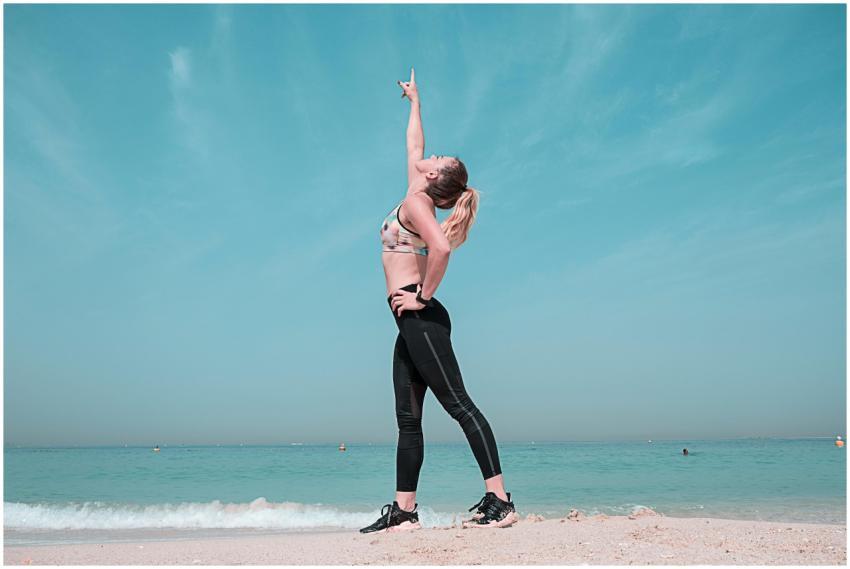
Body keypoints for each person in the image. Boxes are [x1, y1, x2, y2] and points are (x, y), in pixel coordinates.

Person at [359, 68, 517, 533]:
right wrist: (415, 104)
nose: (430, 154)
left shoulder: (417, 206)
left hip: (421, 316)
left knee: (458, 405)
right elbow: (413, 145)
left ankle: (500, 500)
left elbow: (442, 249)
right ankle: (404, 512)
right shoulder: (416, 189)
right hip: (410, 322)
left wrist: (423, 298)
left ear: (437, 174)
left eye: (438, 157)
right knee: (408, 418)